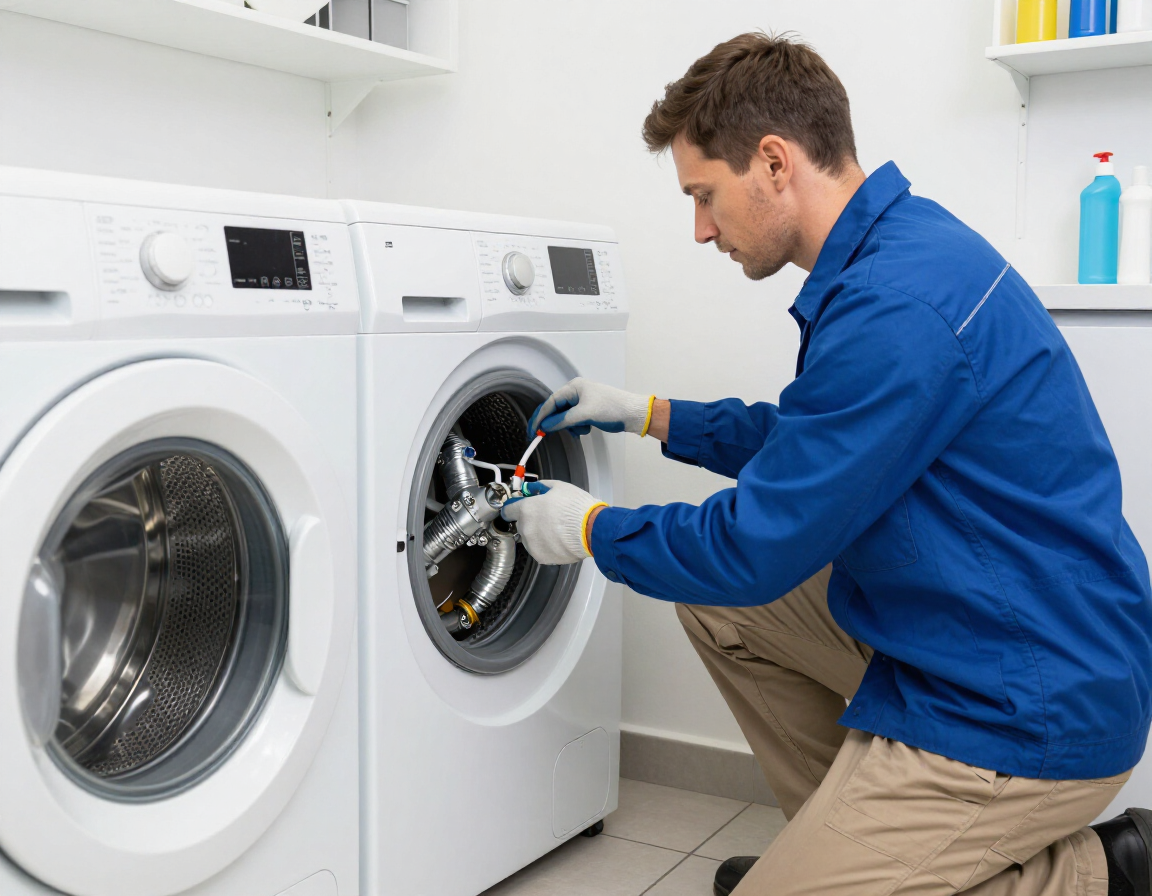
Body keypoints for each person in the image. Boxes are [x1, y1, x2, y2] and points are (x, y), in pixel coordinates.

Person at [500, 30, 1152, 896]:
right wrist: (653, 416)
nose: (699, 230)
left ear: (773, 161)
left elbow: (752, 547)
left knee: (729, 589)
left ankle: (1094, 872)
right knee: (724, 616)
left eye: (704, 194)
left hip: (1023, 696)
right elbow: (826, 447)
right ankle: (852, 848)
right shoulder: (899, 247)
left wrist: (584, 528)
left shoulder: (894, 305)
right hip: (989, 628)